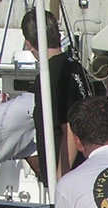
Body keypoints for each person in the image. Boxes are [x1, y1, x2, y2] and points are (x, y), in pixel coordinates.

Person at [21, 8, 102, 184]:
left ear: (29, 43)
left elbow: (70, 127)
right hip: (88, 168)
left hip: (70, 174)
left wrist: (59, 179)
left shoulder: (49, 76)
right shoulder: (77, 67)